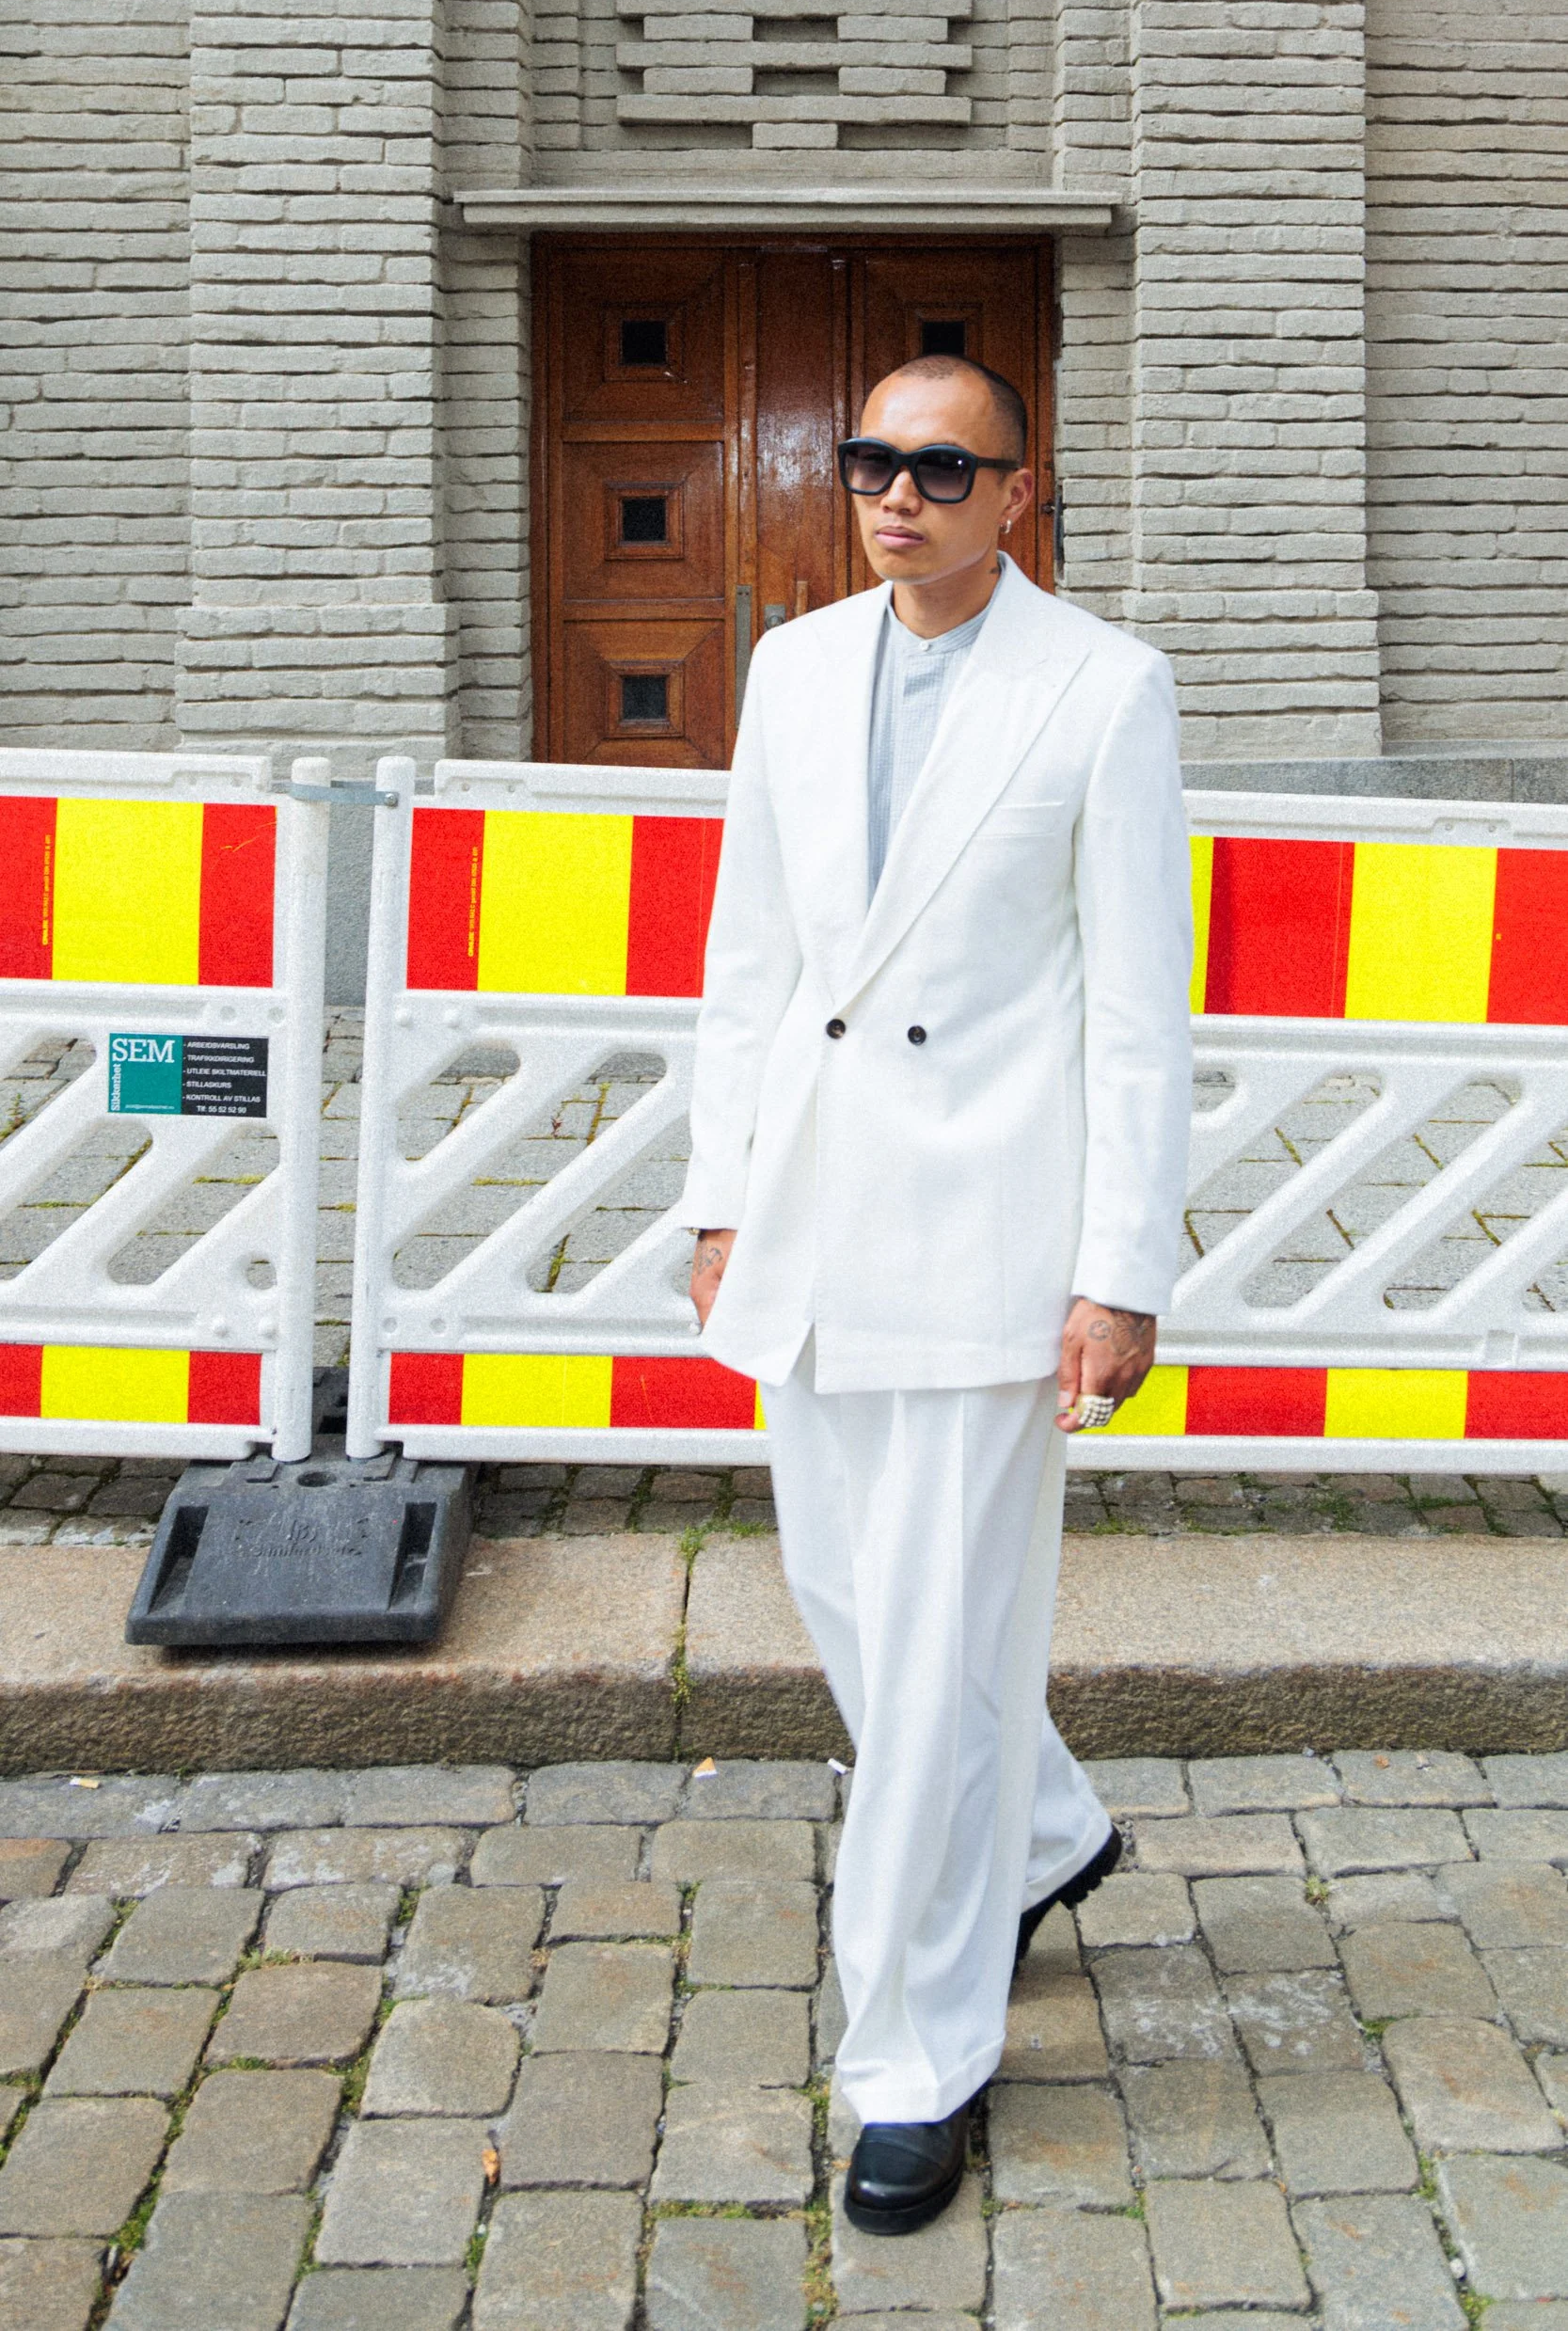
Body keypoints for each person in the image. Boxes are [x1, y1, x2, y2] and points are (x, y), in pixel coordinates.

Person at [673, 352, 1192, 2235]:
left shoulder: (1102, 687)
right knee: (856, 1606)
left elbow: (1138, 1004)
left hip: (988, 1231)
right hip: (809, 1218)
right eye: (870, 460)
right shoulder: (790, 666)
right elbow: (747, 951)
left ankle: (914, 2056)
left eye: (941, 466)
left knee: (918, 1651)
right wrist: (718, 1187)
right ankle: (1047, 1828)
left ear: (1014, 491)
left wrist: (1118, 1266)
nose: (897, 492)